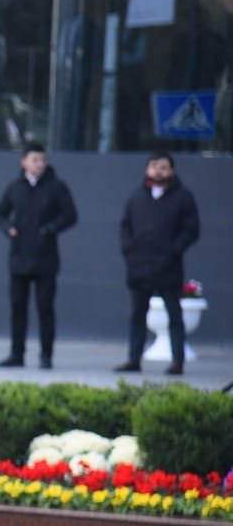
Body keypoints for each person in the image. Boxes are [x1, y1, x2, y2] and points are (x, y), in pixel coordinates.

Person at [0, 143, 78, 369]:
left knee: (45, 308)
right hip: (19, 258)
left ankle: (46, 355)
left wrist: (49, 229)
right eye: (35, 160)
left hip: (45, 259)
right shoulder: (15, 187)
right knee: (18, 308)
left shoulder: (56, 187)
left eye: (42, 160)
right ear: (24, 162)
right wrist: (8, 228)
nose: (39, 164)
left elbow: (70, 215)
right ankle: (16, 354)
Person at [116, 153, 200, 375]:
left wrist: (173, 250)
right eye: (154, 166)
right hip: (140, 267)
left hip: (168, 267)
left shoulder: (183, 197)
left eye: (163, 167)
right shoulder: (136, 197)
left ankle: (177, 361)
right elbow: (125, 226)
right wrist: (129, 250)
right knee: (137, 315)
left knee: (174, 315)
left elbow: (191, 230)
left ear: (171, 171)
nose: (158, 171)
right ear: (147, 170)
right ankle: (134, 358)